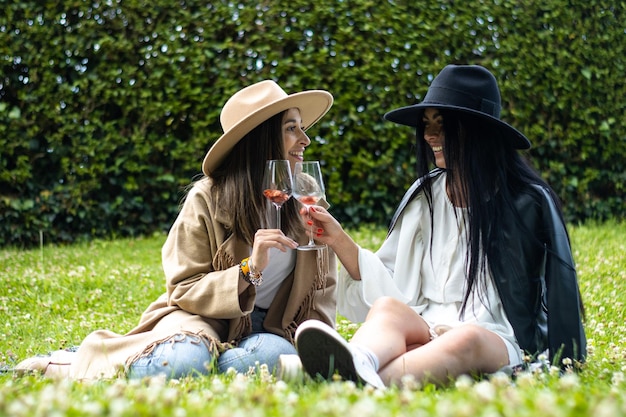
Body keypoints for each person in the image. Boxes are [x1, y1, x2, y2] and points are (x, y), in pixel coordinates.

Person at [15, 80, 338, 380]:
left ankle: (178, 362)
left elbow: (321, 286)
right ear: (261, 137)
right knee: (186, 359)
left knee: (274, 357)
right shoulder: (209, 197)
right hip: (205, 322)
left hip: (272, 329)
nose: (305, 139)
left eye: (303, 127)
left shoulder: (306, 194)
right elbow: (183, 287)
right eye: (291, 128)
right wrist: (248, 269)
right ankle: (75, 364)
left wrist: (319, 342)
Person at [293, 65, 586, 389]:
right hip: (428, 326)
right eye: (427, 125)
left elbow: (562, 291)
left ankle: (339, 378)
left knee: (466, 340)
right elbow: (389, 285)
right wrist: (337, 238)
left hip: (494, 340)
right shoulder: (424, 196)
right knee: (387, 309)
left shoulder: (527, 202)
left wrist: (566, 360)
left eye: (443, 126)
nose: (430, 136)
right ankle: (360, 361)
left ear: (476, 130)